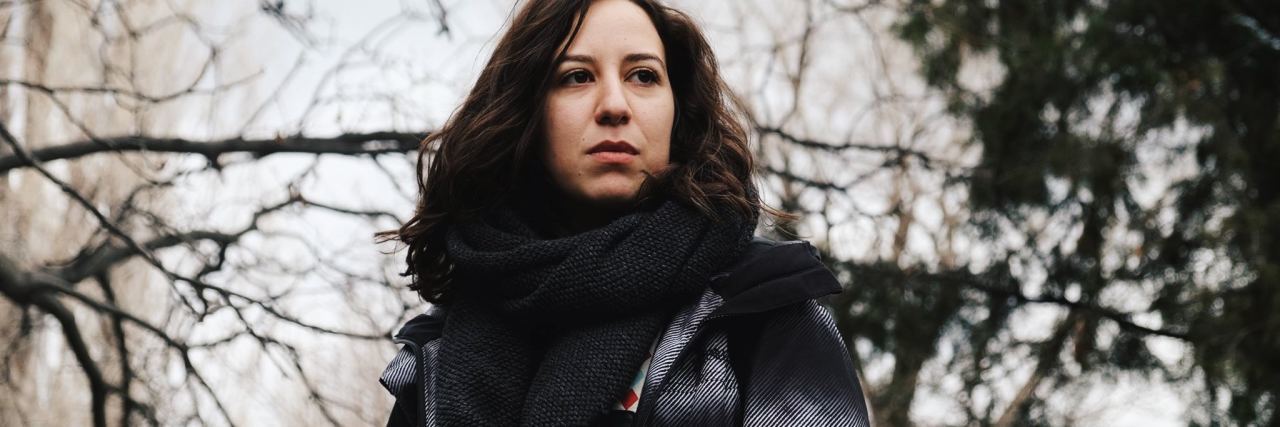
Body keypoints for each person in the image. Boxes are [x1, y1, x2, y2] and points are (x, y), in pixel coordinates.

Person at [377, 0, 870, 425]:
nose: (614, 104)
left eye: (643, 76)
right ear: (527, 113)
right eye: (576, 77)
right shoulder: (436, 356)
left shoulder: (762, 307)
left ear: (679, 111)